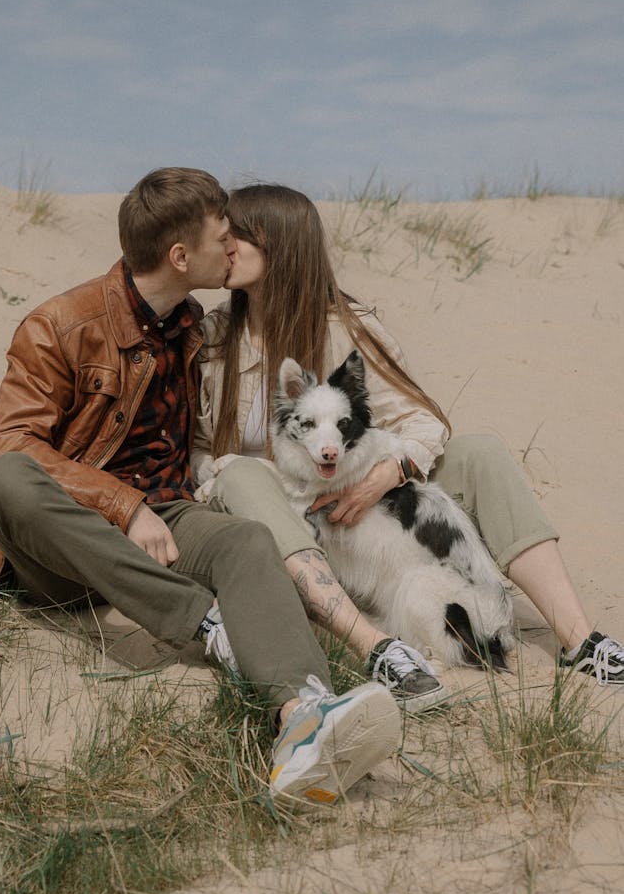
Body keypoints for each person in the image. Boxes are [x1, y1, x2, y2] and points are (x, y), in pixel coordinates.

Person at [0, 167, 403, 808]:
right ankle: (206, 623)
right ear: (180, 256)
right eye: (224, 236)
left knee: (247, 542)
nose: (234, 247)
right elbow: (8, 446)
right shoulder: (57, 326)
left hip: (169, 516)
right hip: (69, 544)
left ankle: (304, 717)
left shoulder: (195, 323)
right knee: (5, 478)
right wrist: (126, 505)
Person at [192, 183, 624, 688]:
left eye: (240, 235)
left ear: (281, 246)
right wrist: (236, 478)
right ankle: (370, 644)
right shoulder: (212, 336)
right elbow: (199, 451)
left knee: (478, 451)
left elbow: (425, 422)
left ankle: (580, 641)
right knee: (243, 472)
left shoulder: (343, 328)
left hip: (358, 516)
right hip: (278, 523)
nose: (226, 245)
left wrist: (385, 475)